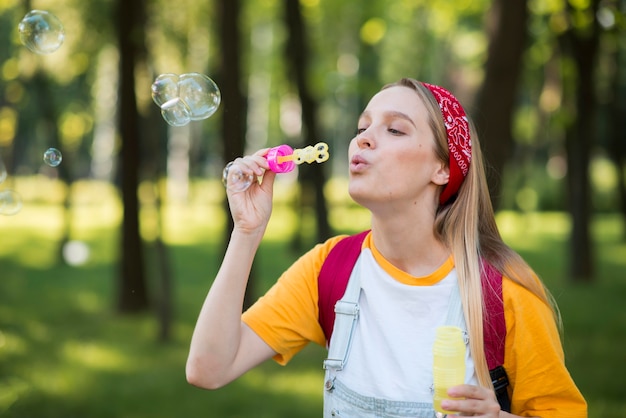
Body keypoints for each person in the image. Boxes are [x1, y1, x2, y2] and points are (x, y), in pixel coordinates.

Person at [186, 78, 587, 417]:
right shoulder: (329, 270)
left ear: (443, 168)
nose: (364, 139)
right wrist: (246, 231)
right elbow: (208, 369)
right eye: (363, 127)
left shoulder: (504, 293)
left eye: (394, 129)